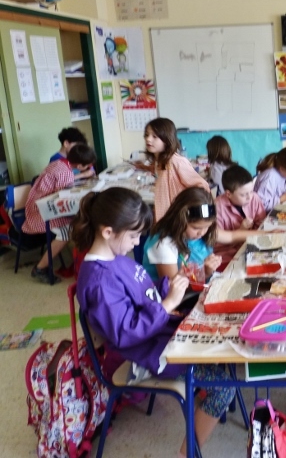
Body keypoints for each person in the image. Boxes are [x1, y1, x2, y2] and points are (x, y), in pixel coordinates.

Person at [71, 187, 234, 458]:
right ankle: (185, 455)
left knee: (221, 338)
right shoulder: (99, 281)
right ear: (108, 232)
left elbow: (146, 294)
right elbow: (125, 332)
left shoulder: (117, 260)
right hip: (143, 355)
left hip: (158, 337)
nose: (138, 243)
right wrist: (167, 303)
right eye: (134, 236)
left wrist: (173, 285)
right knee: (222, 387)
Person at [23, 143, 97, 284]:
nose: (89, 168)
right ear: (79, 166)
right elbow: (63, 194)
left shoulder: (60, 162)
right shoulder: (65, 173)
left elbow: (65, 184)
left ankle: (80, 258)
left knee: (77, 221)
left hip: (42, 202)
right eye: (87, 165)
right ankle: (40, 268)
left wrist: (82, 176)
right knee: (66, 232)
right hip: (41, 210)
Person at [143, 187, 222, 284]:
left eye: (207, 227)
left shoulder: (194, 235)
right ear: (180, 221)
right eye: (196, 228)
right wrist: (205, 273)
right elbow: (172, 288)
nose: (201, 233)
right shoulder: (163, 244)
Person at [143, 117, 209, 221]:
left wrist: (183, 207)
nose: (148, 139)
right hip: (165, 217)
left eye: (154, 136)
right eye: (147, 135)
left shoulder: (176, 161)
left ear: (167, 139)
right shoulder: (160, 161)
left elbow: (202, 186)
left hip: (177, 218)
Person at [214, 165, 267, 270]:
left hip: (253, 244)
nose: (249, 197)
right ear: (228, 194)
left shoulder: (254, 198)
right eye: (243, 195)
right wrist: (241, 230)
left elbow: (262, 224)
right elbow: (218, 243)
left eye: (251, 191)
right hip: (228, 254)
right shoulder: (217, 207)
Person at [254, 146, 286, 212]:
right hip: (262, 215)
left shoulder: (281, 174)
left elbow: (276, 192)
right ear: (282, 168)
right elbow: (263, 205)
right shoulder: (270, 177)